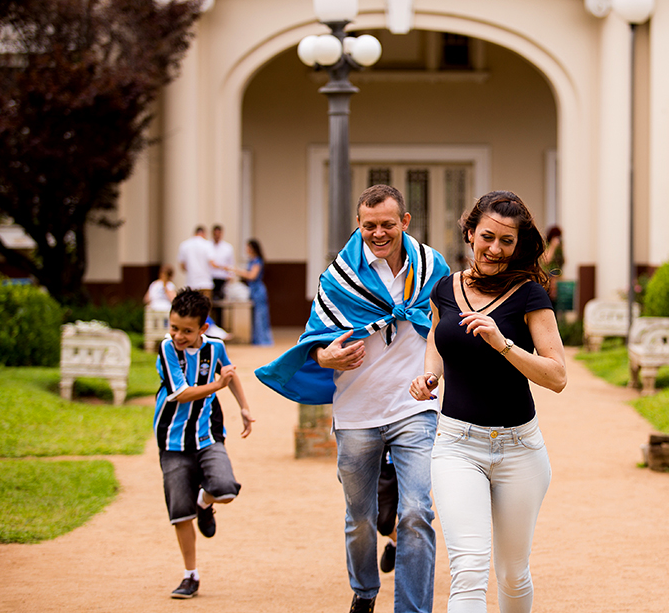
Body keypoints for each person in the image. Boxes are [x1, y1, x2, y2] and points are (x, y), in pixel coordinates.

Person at [255, 184, 450, 613]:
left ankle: (413, 609)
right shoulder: (337, 278)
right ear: (358, 225)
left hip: (414, 407)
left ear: (405, 222)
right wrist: (328, 357)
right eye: (369, 226)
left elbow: (445, 326)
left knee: (417, 511)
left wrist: (437, 377)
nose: (378, 233)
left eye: (386, 224)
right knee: (359, 517)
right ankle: (364, 591)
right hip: (357, 411)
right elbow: (316, 342)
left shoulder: (433, 266)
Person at [410, 190, 567, 613]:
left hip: (520, 450)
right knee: (469, 569)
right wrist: (430, 375)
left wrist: (504, 345)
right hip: (457, 446)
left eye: (507, 241)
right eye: (487, 237)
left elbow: (558, 377)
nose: (494, 249)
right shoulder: (444, 288)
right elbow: (437, 340)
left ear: (519, 245)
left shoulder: (530, 294)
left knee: (513, 574)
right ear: (470, 233)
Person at [153, 288, 255, 599]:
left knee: (225, 489)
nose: (178, 336)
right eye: (174, 328)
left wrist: (244, 406)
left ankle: (205, 503)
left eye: (186, 330)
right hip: (172, 440)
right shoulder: (167, 349)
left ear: (203, 329)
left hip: (207, 434)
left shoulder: (215, 347)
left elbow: (229, 373)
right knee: (180, 512)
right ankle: (190, 575)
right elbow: (181, 392)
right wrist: (216, 385)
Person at [225, 238, 273, 346]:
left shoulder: (257, 261)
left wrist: (236, 270)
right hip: (252, 289)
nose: (246, 249)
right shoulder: (251, 260)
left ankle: (263, 340)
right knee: (255, 316)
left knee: (260, 316)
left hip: (258, 290)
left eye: (247, 247)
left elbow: (252, 275)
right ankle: (257, 339)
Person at [177, 226, 214, 299]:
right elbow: (212, 263)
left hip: (191, 281)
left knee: (192, 307)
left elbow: (182, 266)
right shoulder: (207, 244)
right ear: (203, 233)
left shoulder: (184, 245)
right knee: (205, 306)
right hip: (205, 281)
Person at [209, 224, 235, 325]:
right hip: (210, 278)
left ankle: (220, 325)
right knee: (210, 304)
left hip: (222, 278)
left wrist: (230, 275)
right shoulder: (208, 246)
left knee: (220, 304)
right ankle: (211, 326)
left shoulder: (227, 247)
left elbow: (231, 263)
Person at [541, 225, 564, 302]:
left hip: (557, 275)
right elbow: (546, 260)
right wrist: (553, 246)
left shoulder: (559, 247)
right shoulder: (546, 246)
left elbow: (562, 261)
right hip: (548, 274)